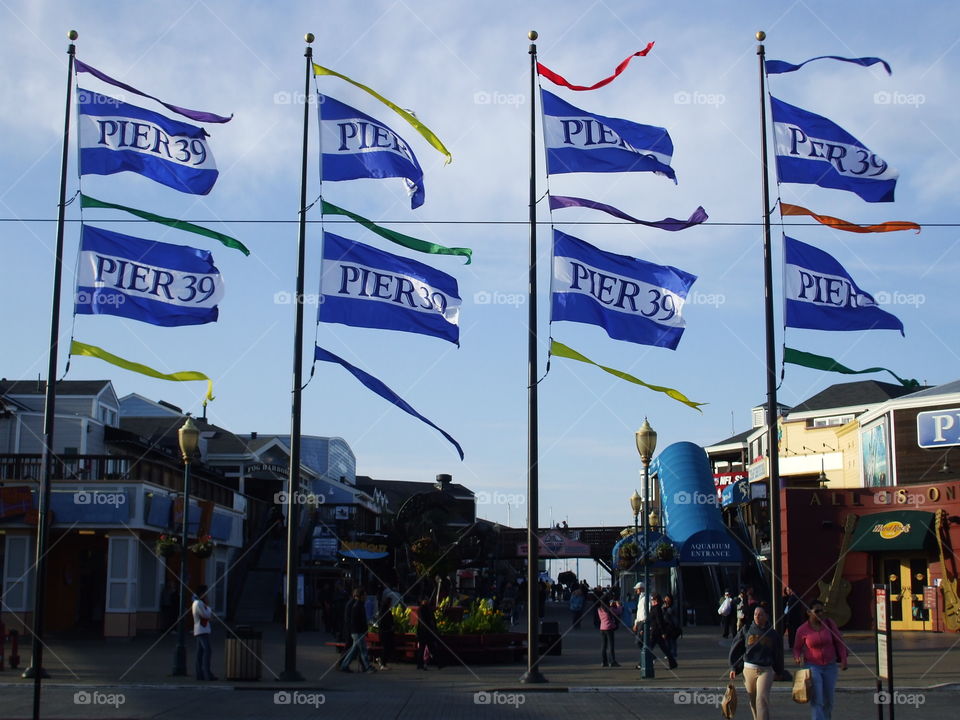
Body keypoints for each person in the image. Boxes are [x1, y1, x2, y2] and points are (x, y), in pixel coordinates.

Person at [794, 600, 848, 720]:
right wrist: (797, 657)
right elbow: (797, 648)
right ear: (809, 612)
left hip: (830, 665)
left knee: (829, 699)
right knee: (817, 698)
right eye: (817, 611)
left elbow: (839, 642)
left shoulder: (829, 624)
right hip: (812, 666)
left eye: (822, 611)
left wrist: (844, 659)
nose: (820, 614)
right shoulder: (802, 630)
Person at [729, 605, 784, 720]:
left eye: (760, 614)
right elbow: (736, 648)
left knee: (761, 700)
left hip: (765, 670)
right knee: (753, 701)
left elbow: (778, 654)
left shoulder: (773, 634)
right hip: (748, 669)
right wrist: (733, 667)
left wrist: (779, 670)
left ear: (766, 616)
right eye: (755, 614)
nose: (757, 617)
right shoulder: (746, 630)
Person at [339, 588, 375, 673]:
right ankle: (367, 667)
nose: (366, 597)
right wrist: (363, 629)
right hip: (358, 631)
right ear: (361, 596)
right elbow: (357, 620)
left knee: (354, 651)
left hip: (356, 631)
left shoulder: (358, 605)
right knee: (363, 650)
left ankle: (344, 665)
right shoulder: (357, 606)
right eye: (365, 595)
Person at [191, 585, 217, 681]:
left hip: (201, 629)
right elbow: (206, 615)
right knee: (207, 651)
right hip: (201, 630)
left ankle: (200, 674)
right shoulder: (199, 603)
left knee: (200, 652)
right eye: (205, 593)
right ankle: (207, 674)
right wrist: (209, 608)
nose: (207, 595)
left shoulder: (198, 603)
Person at [647, 594, 678, 669]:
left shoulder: (657, 609)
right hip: (656, 631)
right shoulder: (655, 608)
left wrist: (663, 632)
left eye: (652, 600)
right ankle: (673, 663)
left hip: (656, 632)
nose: (651, 601)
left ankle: (642, 663)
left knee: (648, 647)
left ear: (656, 600)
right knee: (664, 648)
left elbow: (659, 621)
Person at [415, 595, 441, 670]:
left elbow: (432, 620)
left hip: (426, 632)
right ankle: (421, 664)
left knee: (429, 648)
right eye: (426, 600)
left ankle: (437, 663)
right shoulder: (422, 609)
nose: (427, 600)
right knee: (426, 648)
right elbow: (424, 620)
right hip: (424, 632)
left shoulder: (426, 608)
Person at [597, 593, 622, 667]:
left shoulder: (599, 609)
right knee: (611, 646)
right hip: (609, 628)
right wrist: (618, 605)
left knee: (603, 646)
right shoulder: (610, 609)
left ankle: (604, 662)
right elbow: (619, 611)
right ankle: (612, 661)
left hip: (602, 628)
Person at [783, 586, 805, 650]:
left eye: (788, 590)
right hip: (796, 618)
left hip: (792, 619)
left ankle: (793, 645)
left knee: (793, 633)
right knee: (796, 633)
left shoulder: (792, 598)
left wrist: (787, 619)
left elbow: (789, 610)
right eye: (786, 590)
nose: (787, 591)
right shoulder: (796, 597)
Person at [631, 582, 647, 668]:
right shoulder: (641, 597)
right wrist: (635, 623)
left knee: (639, 642)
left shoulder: (646, 598)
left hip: (644, 621)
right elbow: (639, 612)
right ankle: (646, 659)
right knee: (642, 642)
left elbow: (646, 611)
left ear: (641, 589)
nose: (635, 590)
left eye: (637, 589)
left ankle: (646, 659)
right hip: (640, 621)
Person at [662, 594, 682, 661]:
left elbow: (670, 612)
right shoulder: (663, 606)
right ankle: (668, 653)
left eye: (668, 599)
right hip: (666, 625)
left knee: (672, 640)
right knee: (667, 640)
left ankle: (673, 653)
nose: (666, 600)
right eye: (665, 599)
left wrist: (666, 608)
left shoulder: (673, 606)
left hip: (673, 625)